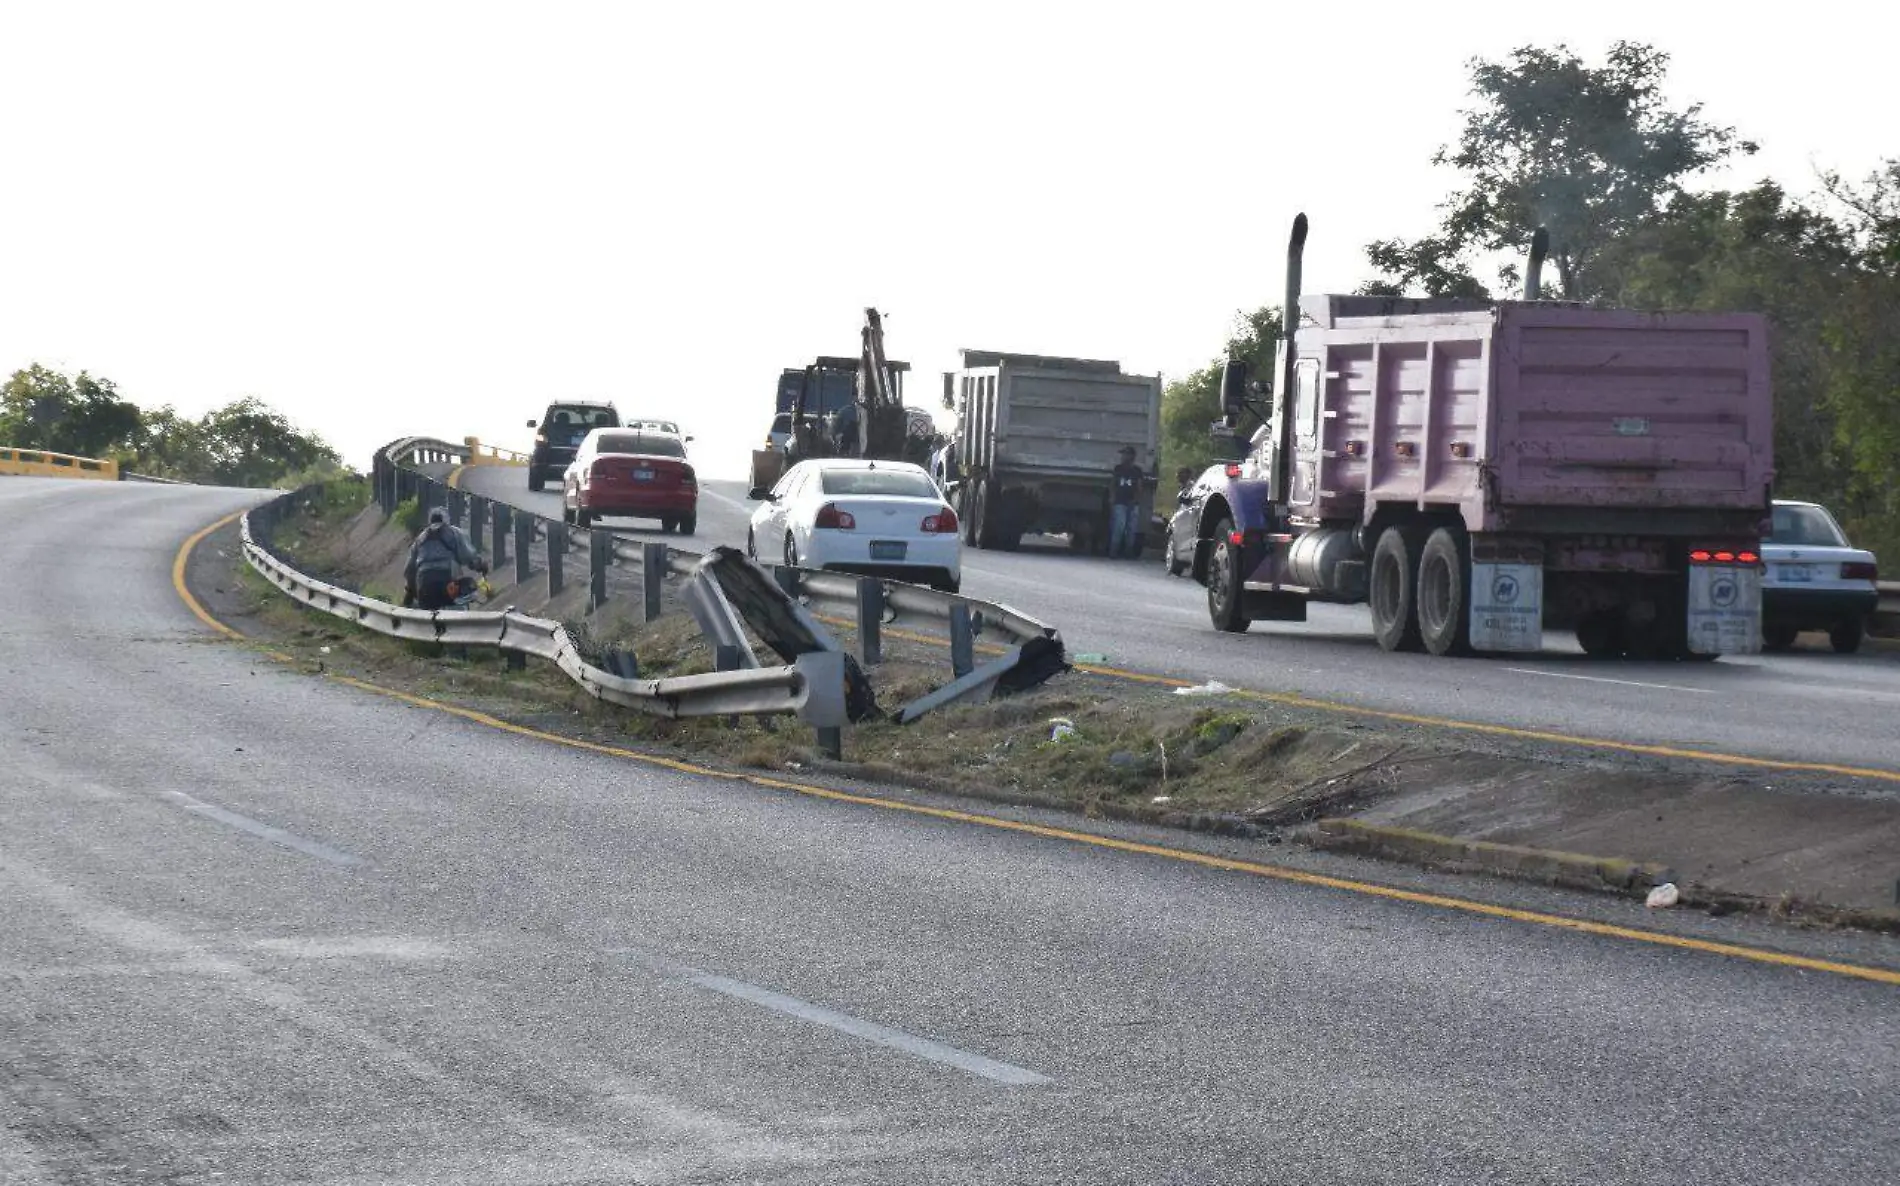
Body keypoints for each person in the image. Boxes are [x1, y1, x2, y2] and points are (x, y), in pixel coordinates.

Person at [404, 507, 489, 610]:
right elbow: (468, 556)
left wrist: (410, 592)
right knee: (468, 585)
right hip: (447, 584)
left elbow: (409, 570)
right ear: (446, 520)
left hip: (424, 585)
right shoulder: (452, 532)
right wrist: (481, 566)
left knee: (426, 609)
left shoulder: (420, 539)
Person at [1109, 445, 1147, 559]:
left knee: (1131, 528)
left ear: (1132, 456)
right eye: (1123, 454)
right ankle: (1113, 550)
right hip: (1120, 501)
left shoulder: (1137, 471)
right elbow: (1113, 484)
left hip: (1132, 502)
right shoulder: (1118, 469)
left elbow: (1139, 487)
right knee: (1119, 526)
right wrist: (1112, 497)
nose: (1123, 456)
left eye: (1126, 454)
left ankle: (1128, 551)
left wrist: (1136, 500)